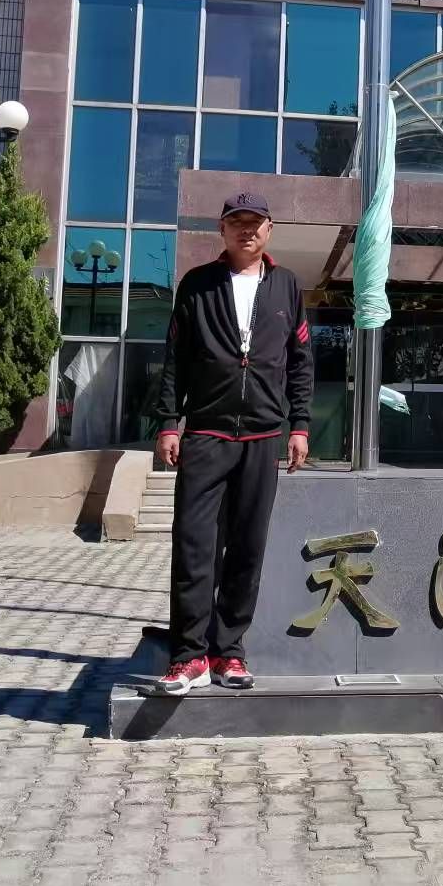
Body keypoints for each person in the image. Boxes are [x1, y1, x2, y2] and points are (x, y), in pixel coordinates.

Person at [151, 192, 312, 693]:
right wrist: (169, 422)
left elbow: (300, 362)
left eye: (255, 222)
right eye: (236, 221)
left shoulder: (287, 286)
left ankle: (229, 652)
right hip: (206, 432)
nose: (247, 229)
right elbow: (176, 357)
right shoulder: (197, 284)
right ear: (221, 230)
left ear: (269, 229)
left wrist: (300, 425)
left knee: (247, 548)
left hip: (262, 436)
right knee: (194, 546)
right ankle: (189, 656)